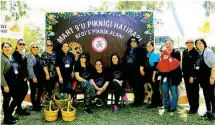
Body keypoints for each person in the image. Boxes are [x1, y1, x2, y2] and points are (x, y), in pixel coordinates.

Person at [195, 38, 215, 120]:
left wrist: (212, 77)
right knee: (206, 96)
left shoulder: (208, 52)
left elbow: (214, 65)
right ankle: (208, 111)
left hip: (209, 78)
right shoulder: (200, 53)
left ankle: (214, 113)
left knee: (211, 96)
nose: (199, 45)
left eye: (200, 43)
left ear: (204, 43)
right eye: (197, 44)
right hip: (203, 79)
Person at [160, 39, 182, 112]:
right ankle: (166, 105)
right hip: (165, 76)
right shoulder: (163, 53)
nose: (168, 45)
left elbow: (173, 64)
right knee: (165, 90)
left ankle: (173, 107)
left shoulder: (176, 53)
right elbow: (162, 64)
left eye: (169, 44)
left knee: (174, 91)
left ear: (173, 44)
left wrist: (166, 61)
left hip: (174, 76)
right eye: (166, 44)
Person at [124, 37, 146, 107]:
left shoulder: (140, 50)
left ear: (136, 42)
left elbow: (143, 59)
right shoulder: (128, 50)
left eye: (134, 41)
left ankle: (140, 101)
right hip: (129, 72)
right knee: (134, 86)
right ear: (130, 43)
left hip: (137, 71)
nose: (133, 42)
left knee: (139, 86)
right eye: (131, 41)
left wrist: (141, 68)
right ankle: (136, 100)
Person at [1, 42, 19, 124]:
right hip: (6, 84)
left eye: (8, 46)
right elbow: (0, 73)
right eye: (5, 47)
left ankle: (9, 115)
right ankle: (6, 119)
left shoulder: (11, 57)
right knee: (6, 101)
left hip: (13, 83)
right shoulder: (2, 59)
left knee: (16, 98)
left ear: (11, 48)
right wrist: (5, 85)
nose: (7, 48)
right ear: (2, 49)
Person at [12, 39, 30, 115]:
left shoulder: (23, 54)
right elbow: (15, 68)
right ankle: (18, 109)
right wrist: (22, 77)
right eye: (20, 44)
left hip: (24, 78)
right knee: (18, 94)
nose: (22, 45)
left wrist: (26, 76)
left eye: (23, 44)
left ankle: (18, 108)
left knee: (24, 91)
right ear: (17, 45)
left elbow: (25, 66)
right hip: (18, 79)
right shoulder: (14, 55)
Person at [182, 39, 199, 114]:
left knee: (194, 92)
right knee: (189, 91)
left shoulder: (196, 52)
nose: (189, 44)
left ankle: (194, 108)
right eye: (187, 42)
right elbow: (183, 63)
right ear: (186, 44)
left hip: (193, 76)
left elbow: (196, 66)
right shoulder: (185, 51)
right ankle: (191, 106)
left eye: (191, 43)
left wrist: (193, 76)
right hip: (186, 75)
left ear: (193, 44)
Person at [27, 42, 44, 111]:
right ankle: (34, 105)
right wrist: (33, 77)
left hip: (40, 77)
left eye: (36, 47)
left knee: (40, 90)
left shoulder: (38, 56)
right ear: (30, 49)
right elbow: (29, 68)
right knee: (33, 91)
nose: (35, 48)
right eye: (33, 47)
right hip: (33, 78)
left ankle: (38, 104)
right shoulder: (30, 57)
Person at [145, 41, 162, 108]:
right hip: (150, 73)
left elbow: (156, 66)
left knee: (155, 88)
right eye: (147, 46)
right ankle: (159, 102)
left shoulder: (155, 54)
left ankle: (155, 103)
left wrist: (153, 76)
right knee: (154, 88)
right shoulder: (148, 54)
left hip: (154, 73)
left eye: (150, 45)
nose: (148, 47)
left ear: (153, 47)